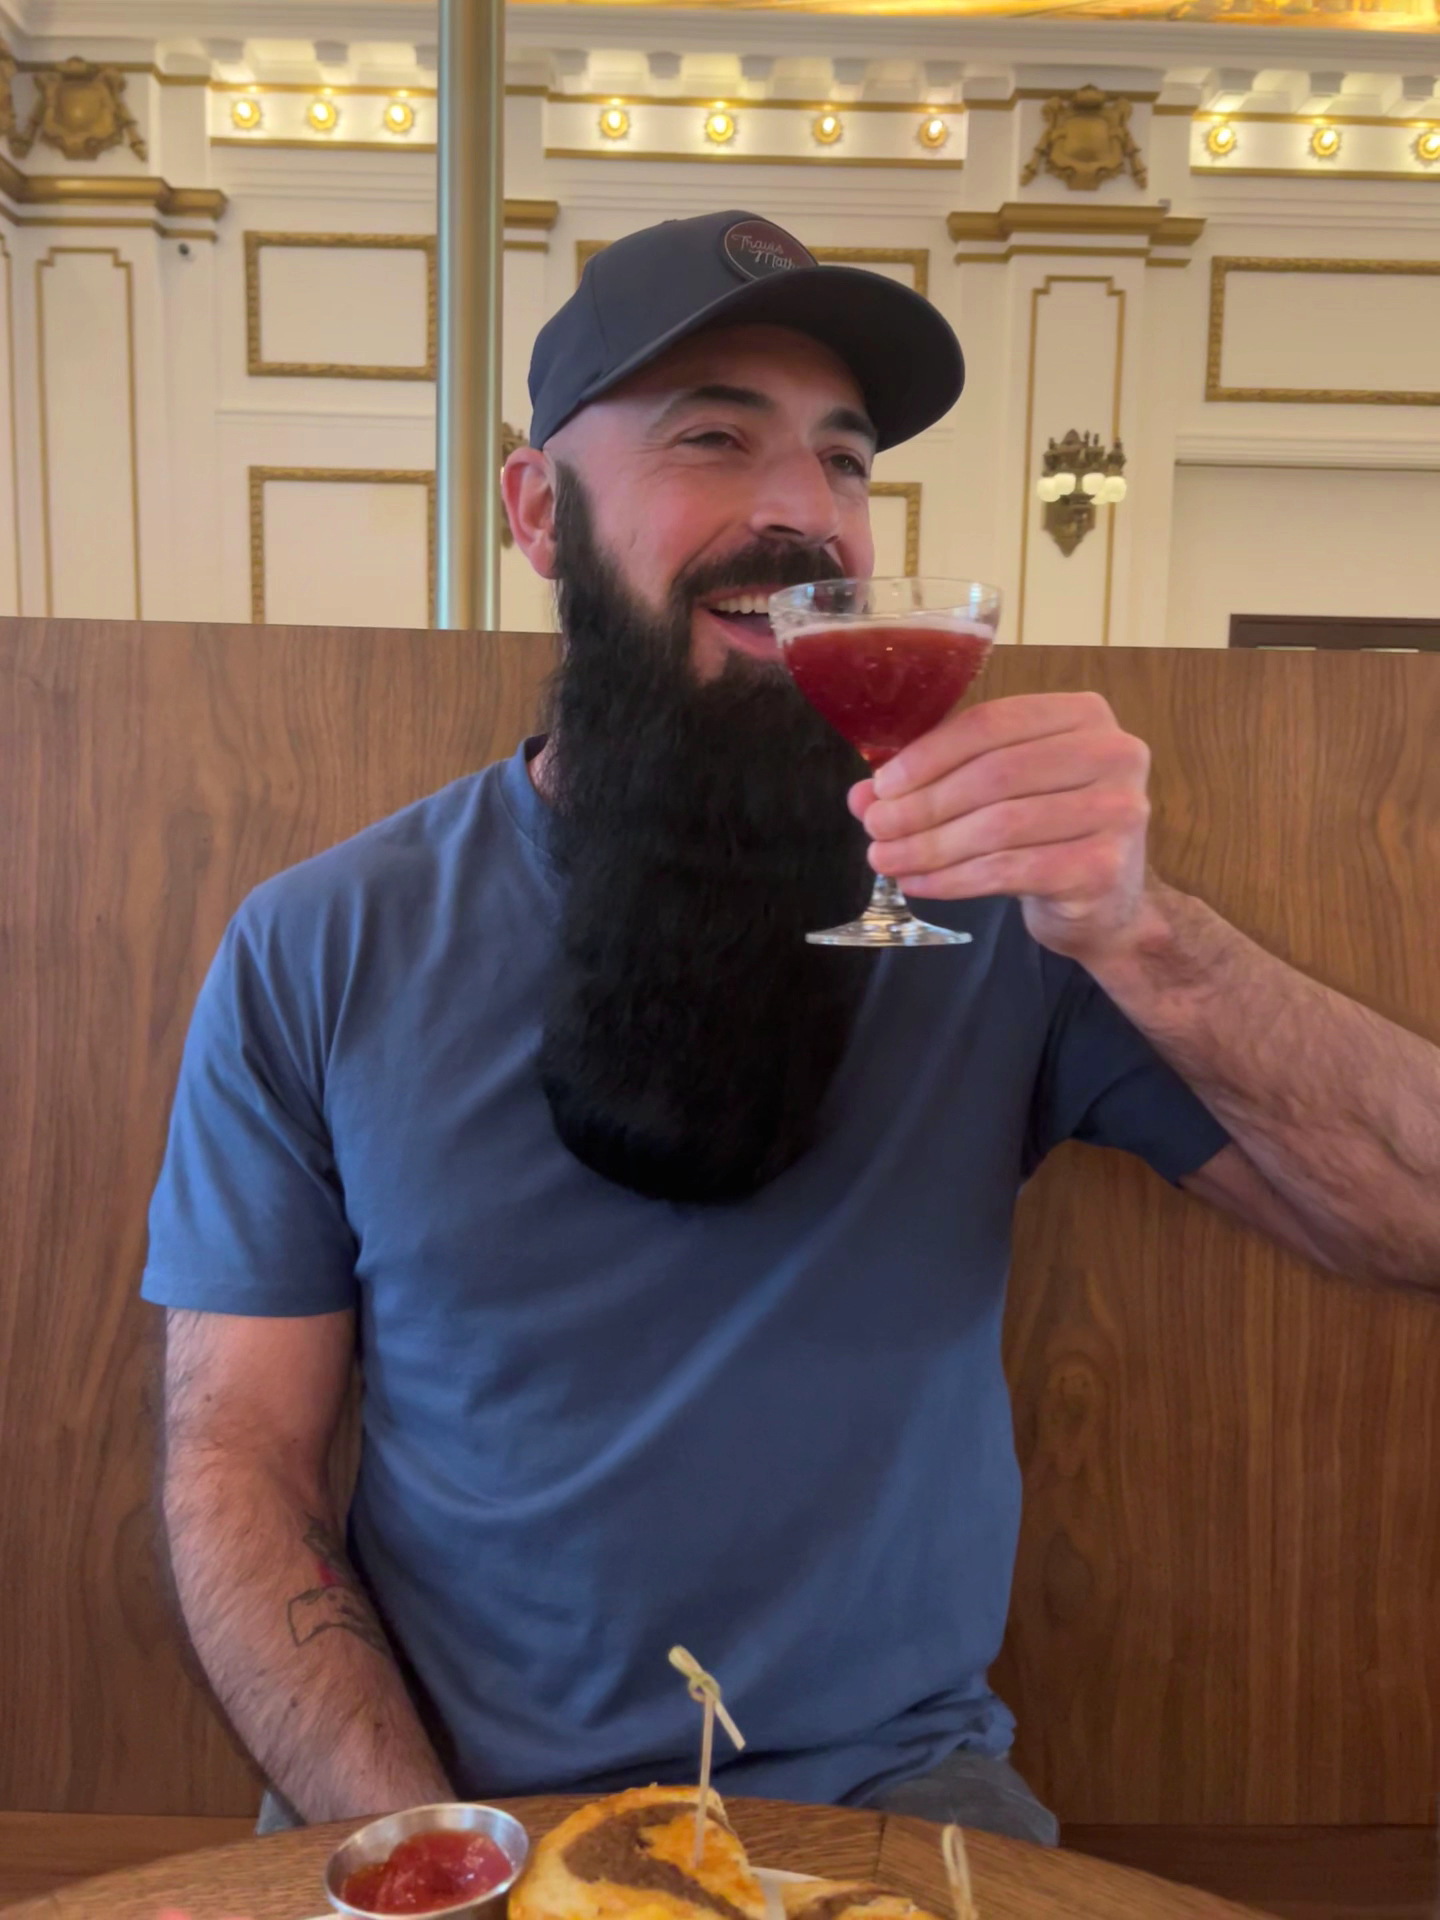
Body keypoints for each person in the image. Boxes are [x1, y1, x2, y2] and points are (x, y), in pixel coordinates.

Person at [144, 210, 1439, 1848]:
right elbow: (237, 1464)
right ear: (539, 511)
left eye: (844, 460)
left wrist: (1144, 935)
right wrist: (433, 1848)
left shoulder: (998, 908)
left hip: (891, 1794)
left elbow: (1415, 1216)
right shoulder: (320, 944)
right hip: (444, 1800)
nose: (805, 513)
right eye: (713, 437)